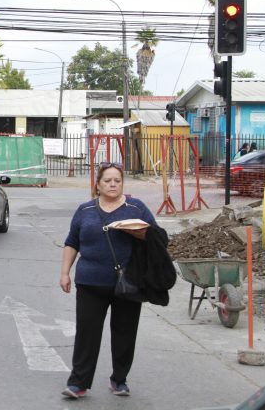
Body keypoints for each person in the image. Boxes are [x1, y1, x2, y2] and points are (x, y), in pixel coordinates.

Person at [59, 162, 158, 399]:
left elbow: (157, 238)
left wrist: (138, 232)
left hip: (129, 283)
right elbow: (72, 241)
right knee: (87, 334)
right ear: (98, 184)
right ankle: (78, 383)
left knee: (125, 333)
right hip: (90, 283)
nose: (113, 185)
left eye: (117, 181)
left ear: (122, 183)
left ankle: (119, 379)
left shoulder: (136, 207)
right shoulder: (85, 210)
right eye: (107, 181)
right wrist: (65, 272)